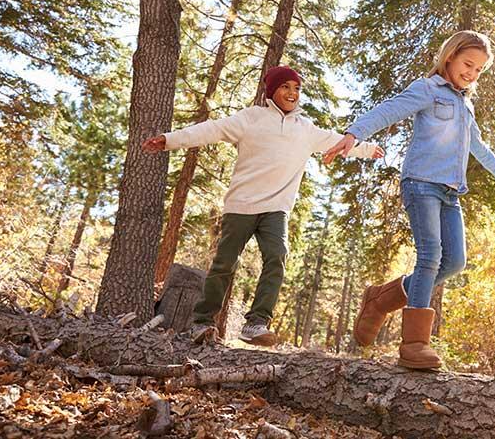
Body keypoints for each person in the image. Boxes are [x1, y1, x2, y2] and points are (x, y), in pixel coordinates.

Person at [324, 31, 495, 369]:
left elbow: (478, 147)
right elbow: (389, 110)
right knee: (430, 256)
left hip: (450, 192)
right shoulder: (427, 89)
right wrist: (353, 134)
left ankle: (380, 299)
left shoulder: (465, 104)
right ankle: (414, 344)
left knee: (455, 262)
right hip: (420, 183)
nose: (472, 73)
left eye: (480, 70)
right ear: (449, 57)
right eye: (468, 64)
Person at [142, 65, 383, 346]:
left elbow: (337, 141)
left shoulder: (305, 129)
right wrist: (169, 140)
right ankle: (202, 322)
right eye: (285, 87)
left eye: (296, 88)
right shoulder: (251, 119)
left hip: (276, 208)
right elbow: (211, 129)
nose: (292, 93)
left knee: (277, 255)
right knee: (224, 264)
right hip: (241, 205)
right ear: (272, 91)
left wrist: (366, 149)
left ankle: (256, 323)